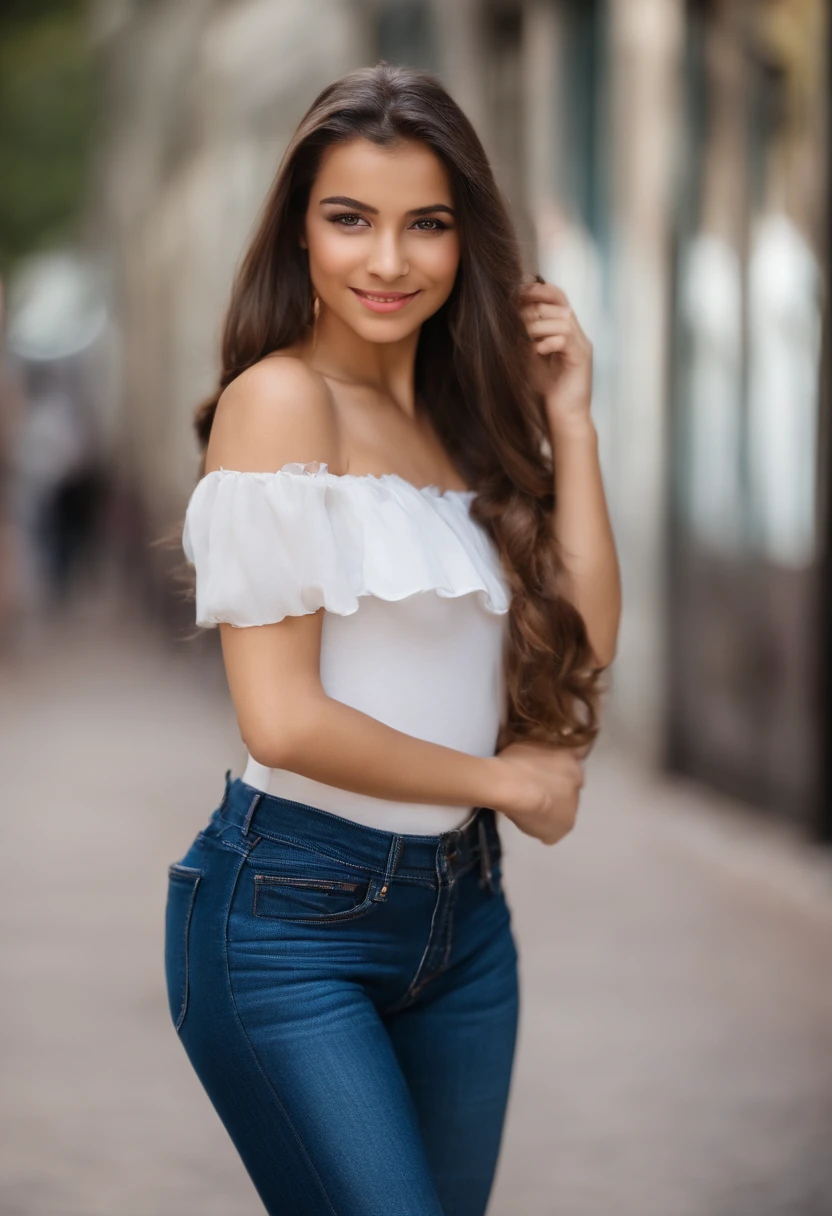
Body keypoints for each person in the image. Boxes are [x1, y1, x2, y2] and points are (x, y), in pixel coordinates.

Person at [164, 62, 620, 1216]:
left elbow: (582, 633)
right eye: (350, 219)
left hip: (464, 924)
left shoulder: (465, 417)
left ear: (467, 241)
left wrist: (569, 417)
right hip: (287, 924)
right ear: (301, 235)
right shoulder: (281, 403)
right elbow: (283, 717)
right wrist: (503, 779)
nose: (386, 261)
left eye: (427, 225)